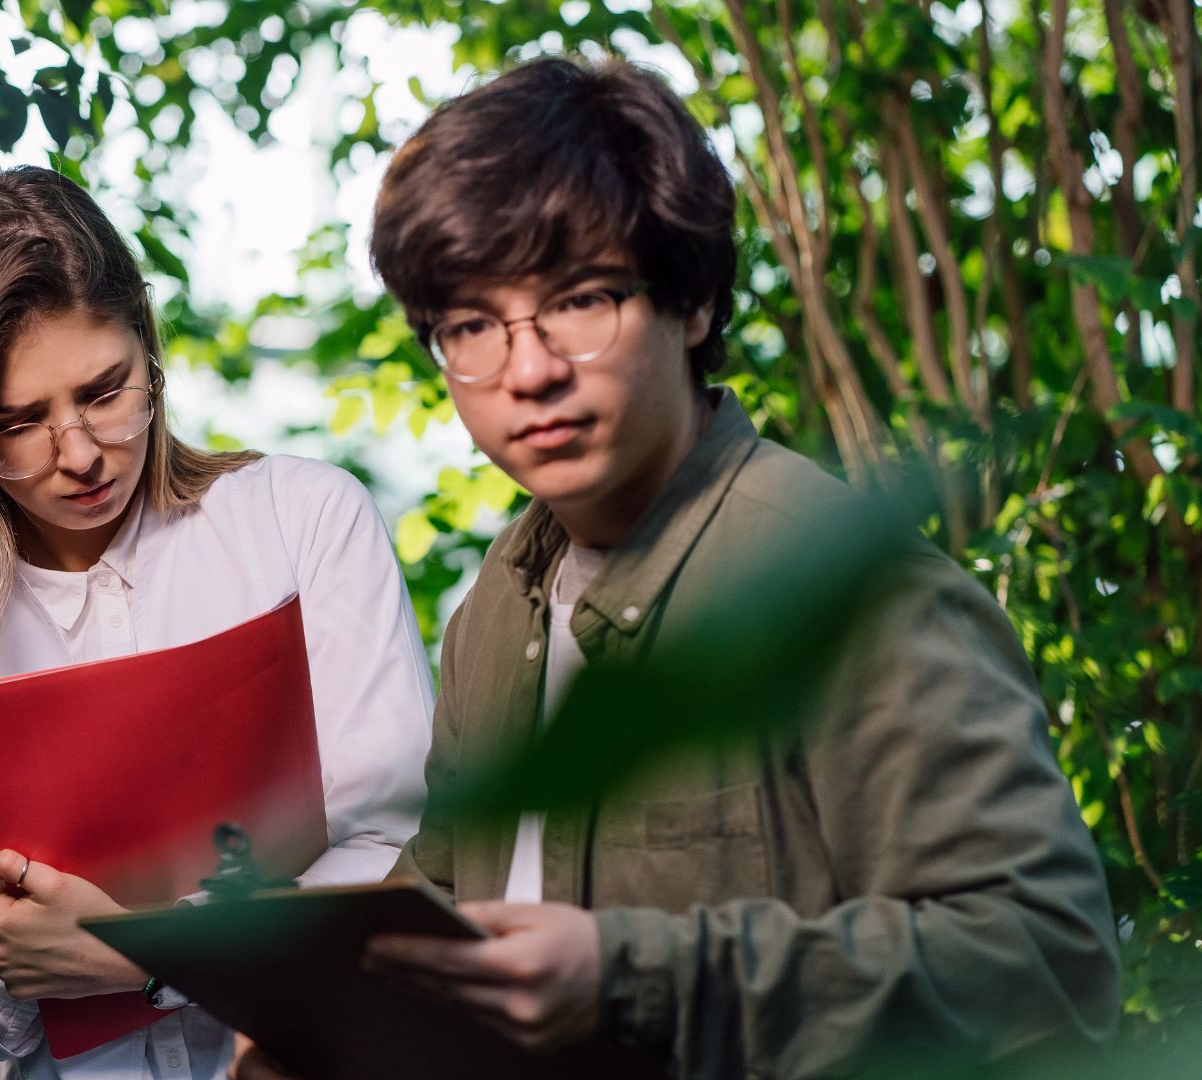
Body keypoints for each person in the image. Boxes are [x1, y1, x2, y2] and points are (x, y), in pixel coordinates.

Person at [235, 56, 1118, 1079]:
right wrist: (322, 1030)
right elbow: (453, 906)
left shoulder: (848, 591)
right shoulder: (498, 605)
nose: (529, 371)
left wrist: (635, 978)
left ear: (691, 301)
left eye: (581, 300)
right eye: (472, 326)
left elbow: (1047, 958)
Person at [0, 163, 432, 1080]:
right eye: (17, 422)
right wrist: (6, 949)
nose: (79, 454)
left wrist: (145, 953)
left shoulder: (299, 523)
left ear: (146, 345)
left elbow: (398, 859)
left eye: (105, 392)